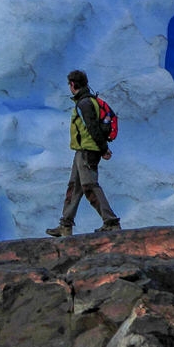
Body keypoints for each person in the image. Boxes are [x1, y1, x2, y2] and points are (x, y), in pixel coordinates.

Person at [46, 69, 121, 237]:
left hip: (88, 151)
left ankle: (111, 222)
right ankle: (65, 225)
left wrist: (103, 149)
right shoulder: (88, 101)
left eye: (69, 85)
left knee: (90, 186)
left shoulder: (84, 104)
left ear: (73, 84)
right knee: (74, 187)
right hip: (82, 151)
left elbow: (92, 128)